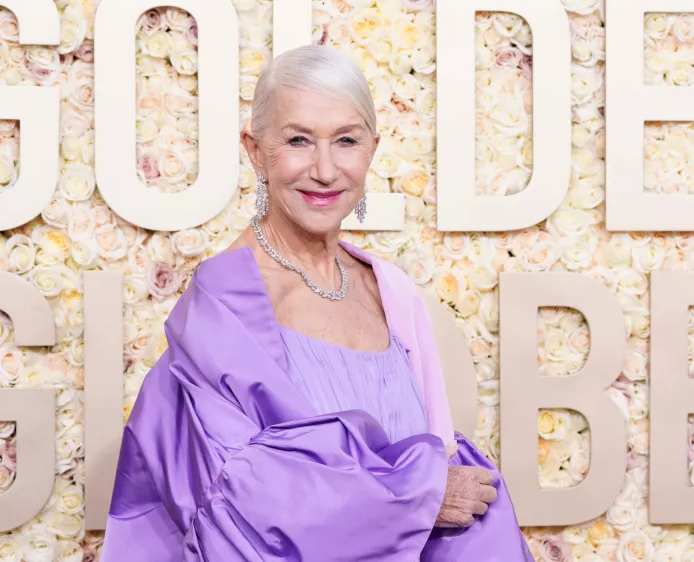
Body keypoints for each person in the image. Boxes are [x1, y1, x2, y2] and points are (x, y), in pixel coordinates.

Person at [100, 44, 533, 561]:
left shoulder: (390, 290)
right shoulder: (224, 302)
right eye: (299, 140)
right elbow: (240, 494)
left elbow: (441, 460)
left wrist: (438, 491)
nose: (325, 171)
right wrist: (419, 495)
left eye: (346, 141)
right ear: (255, 150)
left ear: (373, 149)